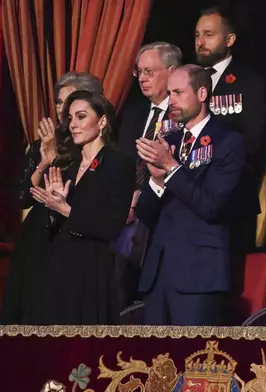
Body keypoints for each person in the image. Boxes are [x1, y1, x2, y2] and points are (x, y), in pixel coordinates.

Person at [136, 65, 246, 326]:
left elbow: (211, 206)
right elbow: (145, 214)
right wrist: (156, 179)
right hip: (158, 272)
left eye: (178, 92)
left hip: (198, 273)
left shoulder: (228, 141)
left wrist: (172, 168)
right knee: (153, 361)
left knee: (193, 360)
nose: (171, 100)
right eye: (169, 93)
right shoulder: (168, 141)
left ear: (202, 93)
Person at [0, 72, 103, 324]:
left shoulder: (94, 145)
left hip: (69, 238)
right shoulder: (43, 143)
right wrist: (44, 161)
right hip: (35, 237)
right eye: (58, 102)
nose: (62, 109)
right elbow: (23, 196)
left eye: (69, 102)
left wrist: (56, 158)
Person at [28, 90, 135, 325]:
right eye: (70, 118)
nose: (73, 124)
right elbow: (51, 223)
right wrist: (53, 207)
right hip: (59, 264)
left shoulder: (118, 164)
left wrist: (66, 209)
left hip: (91, 268)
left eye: (81, 116)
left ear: (102, 120)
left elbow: (111, 226)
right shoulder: (69, 166)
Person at [195, 5, 266, 299]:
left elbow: (252, 140)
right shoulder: (187, 81)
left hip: (232, 201)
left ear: (230, 40)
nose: (200, 41)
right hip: (191, 201)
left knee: (230, 290)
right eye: (197, 35)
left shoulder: (250, 83)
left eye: (209, 34)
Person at [115, 41, 182, 312]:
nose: (142, 78)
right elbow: (121, 163)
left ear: (172, 70)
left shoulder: (183, 113)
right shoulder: (134, 113)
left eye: (149, 72)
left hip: (164, 212)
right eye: (138, 72)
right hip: (126, 214)